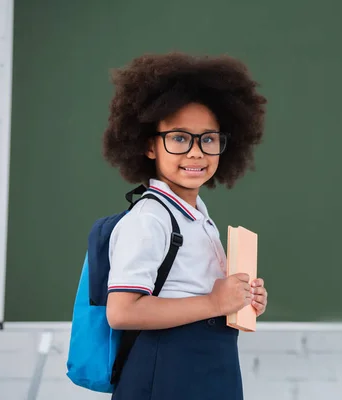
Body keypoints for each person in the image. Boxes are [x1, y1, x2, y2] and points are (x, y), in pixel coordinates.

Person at [101, 51, 268, 400]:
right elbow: (121, 311)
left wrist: (240, 299)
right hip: (169, 375)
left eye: (208, 139)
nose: (196, 153)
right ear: (149, 145)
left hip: (209, 368)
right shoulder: (150, 219)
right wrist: (213, 303)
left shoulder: (195, 216)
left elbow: (197, 292)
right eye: (179, 138)